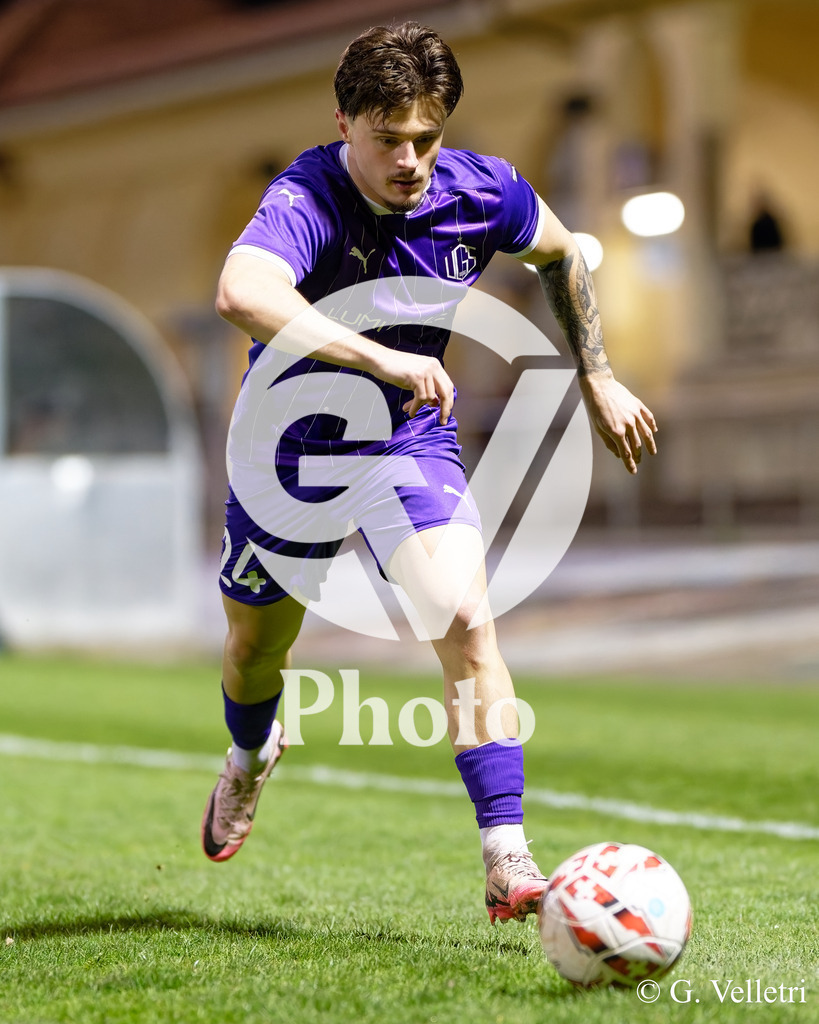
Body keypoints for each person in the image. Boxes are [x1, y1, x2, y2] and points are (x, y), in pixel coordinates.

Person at [201, 21, 657, 925]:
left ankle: (506, 853)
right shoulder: (307, 195)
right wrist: (378, 355)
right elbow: (240, 293)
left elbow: (561, 252)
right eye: (387, 139)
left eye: (426, 137)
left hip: (404, 440)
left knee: (462, 616)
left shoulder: (480, 190)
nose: (409, 160)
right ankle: (250, 756)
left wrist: (598, 376)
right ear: (344, 124)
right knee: (256, 652)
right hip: (287, 453)